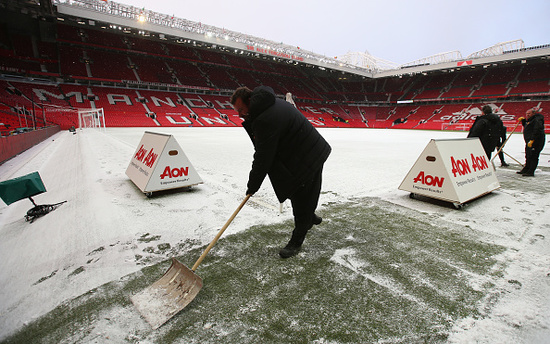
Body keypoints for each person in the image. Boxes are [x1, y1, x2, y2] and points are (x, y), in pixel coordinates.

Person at [230, 86, 331, 258]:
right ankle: (310, 215)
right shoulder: (268, 104)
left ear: (249, 102)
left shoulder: (264, 118)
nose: (239, 114)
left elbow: (263, 156)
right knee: (295, 190)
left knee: (301, 195)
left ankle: (296, 240)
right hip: (301, 151)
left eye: (240, 109)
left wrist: (252, 186)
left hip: (309, 154)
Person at [516, 108, 545, 177]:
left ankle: (531, 171)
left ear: (533, 114)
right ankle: (526, 168)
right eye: (526, 114)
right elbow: (528, 128)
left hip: (536, 142)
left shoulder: (537, 120)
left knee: (533, 156)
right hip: (529, 141)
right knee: (528, 155)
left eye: (529, 113)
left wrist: (532, 139)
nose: (527, 115)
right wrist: (523, 121)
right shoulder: (531, 120)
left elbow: (537, 130)